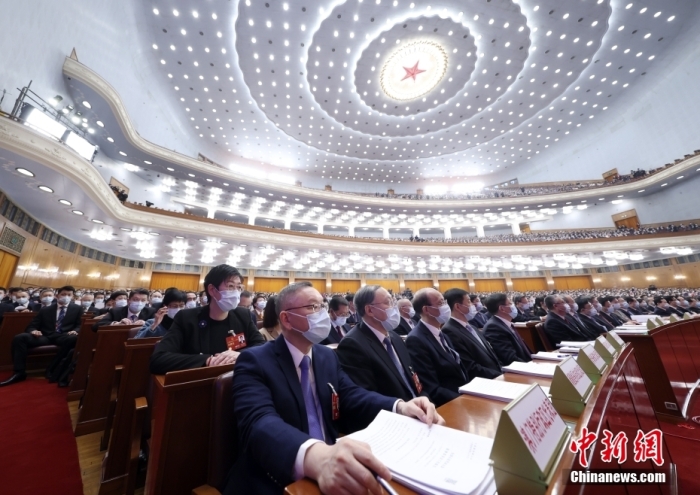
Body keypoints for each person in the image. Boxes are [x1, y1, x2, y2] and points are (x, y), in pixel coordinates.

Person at [222, 281, 442, 495]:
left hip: (334, 466)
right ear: (287, 319)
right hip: (277, 475)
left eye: (322, 306)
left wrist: (400, 406)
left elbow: (351, 395)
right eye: (312, 307)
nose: (322, 314)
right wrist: (317, 457)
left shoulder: (325, 355)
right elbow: (258, 421)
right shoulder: (255, 360)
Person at [149, 264, 265, 374]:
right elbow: (159, 359)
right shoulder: (186, 318)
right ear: (212, 290)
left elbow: (261, 345)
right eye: (230, 286)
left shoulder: (243, 315)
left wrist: (240, 354)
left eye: (239, 287)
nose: (236, 292)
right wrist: (208, 360)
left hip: (238, 379)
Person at [336, 285, 424, 402]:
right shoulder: (352, 344)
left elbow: (414, 377)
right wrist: (401, 407)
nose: (394, 308)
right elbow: (365, 397)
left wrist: (425, 400)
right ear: (370, 310)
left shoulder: (395, 337)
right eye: (388, 303)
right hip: (393, 414)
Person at [0, 286, 84, 387]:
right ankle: (19, 372)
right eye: (63, 294)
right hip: (46, 336)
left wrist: (75, 330)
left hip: (64, 336)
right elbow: (32, 325)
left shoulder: (77, 309)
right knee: (20, 338)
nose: (66, 297)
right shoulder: (46, 309)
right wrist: (34, 330)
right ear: (57, 296)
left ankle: (53, 369)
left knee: (73, 339)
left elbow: (80, 324)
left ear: (72, 297)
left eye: (69, 295)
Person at [405, 288, 469, 407]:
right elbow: (432, 387)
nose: (446, 306)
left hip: (462, 393)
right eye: (440, 303)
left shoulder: (441, 333)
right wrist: (465, 400)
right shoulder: (416, 339)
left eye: (444, 302)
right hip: (450, 404)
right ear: (427, 309)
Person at [441, 288, 502, 379]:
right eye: (469, 302)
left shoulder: (471, 327)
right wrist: (499, 375)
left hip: (496, 375)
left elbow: (490, 354)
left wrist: (502, 370)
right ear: (458, 306)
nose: (472, 305)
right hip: (486, 381)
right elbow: (469, 366)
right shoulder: (449, 330)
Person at [482, 293, 533, 365]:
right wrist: (531, 366)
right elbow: (510, 358)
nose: (513, 306)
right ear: (502, 308)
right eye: (510, 303)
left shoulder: (504, 323)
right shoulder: (493, 328)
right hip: (519, 369)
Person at [92, 288, 157, 330]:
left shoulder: (150, 312)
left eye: (143, 300)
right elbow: (95, 327)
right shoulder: (116, 311)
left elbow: (158, 328)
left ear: (147, 302)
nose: (139, 303)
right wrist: (117, 324)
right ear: (128, 300)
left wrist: (146, 324)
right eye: (135, 300)